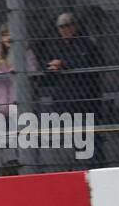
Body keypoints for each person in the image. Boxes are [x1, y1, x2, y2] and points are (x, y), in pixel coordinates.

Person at [40, 12, 105, 165]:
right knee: (77, 139)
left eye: (67, 26)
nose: (64, 30)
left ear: (75, 26)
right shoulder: (57, 46)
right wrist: (51, 68)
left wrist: (64, 64)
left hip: (86, 100)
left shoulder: (86, 44)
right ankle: (84, 167)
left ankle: (96, 167)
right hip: (66, 101)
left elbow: (92, 66)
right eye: (61, 27)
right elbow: (47, 73)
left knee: (91, 137)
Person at [0, 23, 38, 116]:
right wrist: (7, 73)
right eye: (4, 35)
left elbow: (33, 69)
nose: (8, 38)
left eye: (10, 34)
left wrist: (19, 70)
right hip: (2, 97)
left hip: (20, 93)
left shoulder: (26, 51)